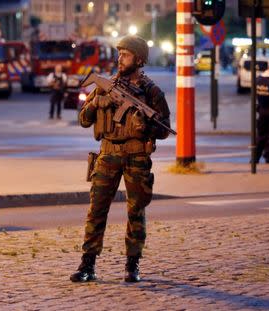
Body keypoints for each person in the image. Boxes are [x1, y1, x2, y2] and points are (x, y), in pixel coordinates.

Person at [70, 35, 171, 283]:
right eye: (119, 54)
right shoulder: (106, 84)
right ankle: (88, 264)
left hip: (136, 155)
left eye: (125, 55)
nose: (120, 58)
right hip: (108, 154)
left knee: (136, 210)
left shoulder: (151, 92)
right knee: (96, 209)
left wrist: (146, 125)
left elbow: (165, 129)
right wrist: (96, 103)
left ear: (138, 59)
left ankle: (132, 264)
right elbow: (83, 121)